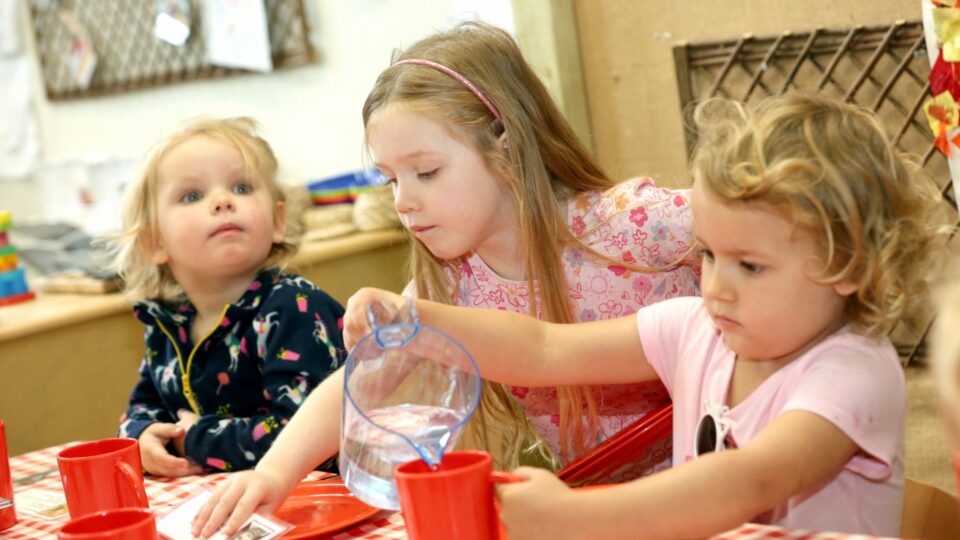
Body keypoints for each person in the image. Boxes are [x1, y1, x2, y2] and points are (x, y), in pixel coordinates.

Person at [339, 94, 948, 537]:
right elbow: (543, 348)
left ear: (848, 267)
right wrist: (413, 317)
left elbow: (749, 482)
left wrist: (576, 516)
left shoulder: (852, 372)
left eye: (750, 266)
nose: (718, 287)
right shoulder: (694, 328)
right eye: (708, 254)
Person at [192, 21, 698, 538]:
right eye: (391, 179)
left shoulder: (632, 223)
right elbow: (361, 379)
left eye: (427, 172)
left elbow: (760, 223)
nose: (402, 201)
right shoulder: (453, 286)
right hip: (600, 516)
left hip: (722, 494)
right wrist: (273, 473)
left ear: (506, 144)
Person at [109, 117, 345, 477]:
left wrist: (194, 439)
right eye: (192, 195)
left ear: (278, 221)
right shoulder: (168, 324)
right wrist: (140, 439)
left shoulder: (294, 307)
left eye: (241, 188)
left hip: (329, 500)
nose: (222, 201)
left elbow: (302, 437)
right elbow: (144, 407)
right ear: (155, 242)